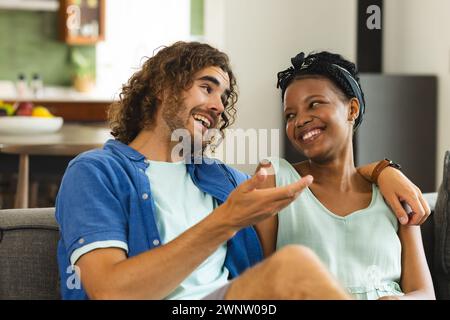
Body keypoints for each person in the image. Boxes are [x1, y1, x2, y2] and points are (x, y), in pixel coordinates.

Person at [55, 41, 429, 300]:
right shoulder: (97, 172)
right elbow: (109, 291)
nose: (218, 106)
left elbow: (329, 176)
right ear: (160, 88)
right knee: (293, 267)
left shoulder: (221, 180)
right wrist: (226, 221)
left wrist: (383, 170)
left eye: (224, 97)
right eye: (207, 88)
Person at [254, 51, 435, 299]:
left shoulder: (392, 194)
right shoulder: (275, 179)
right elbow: (256, 285)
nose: (300, 120)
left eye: (314, 104)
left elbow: (424, 293)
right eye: (290, 115)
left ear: (352, 109)